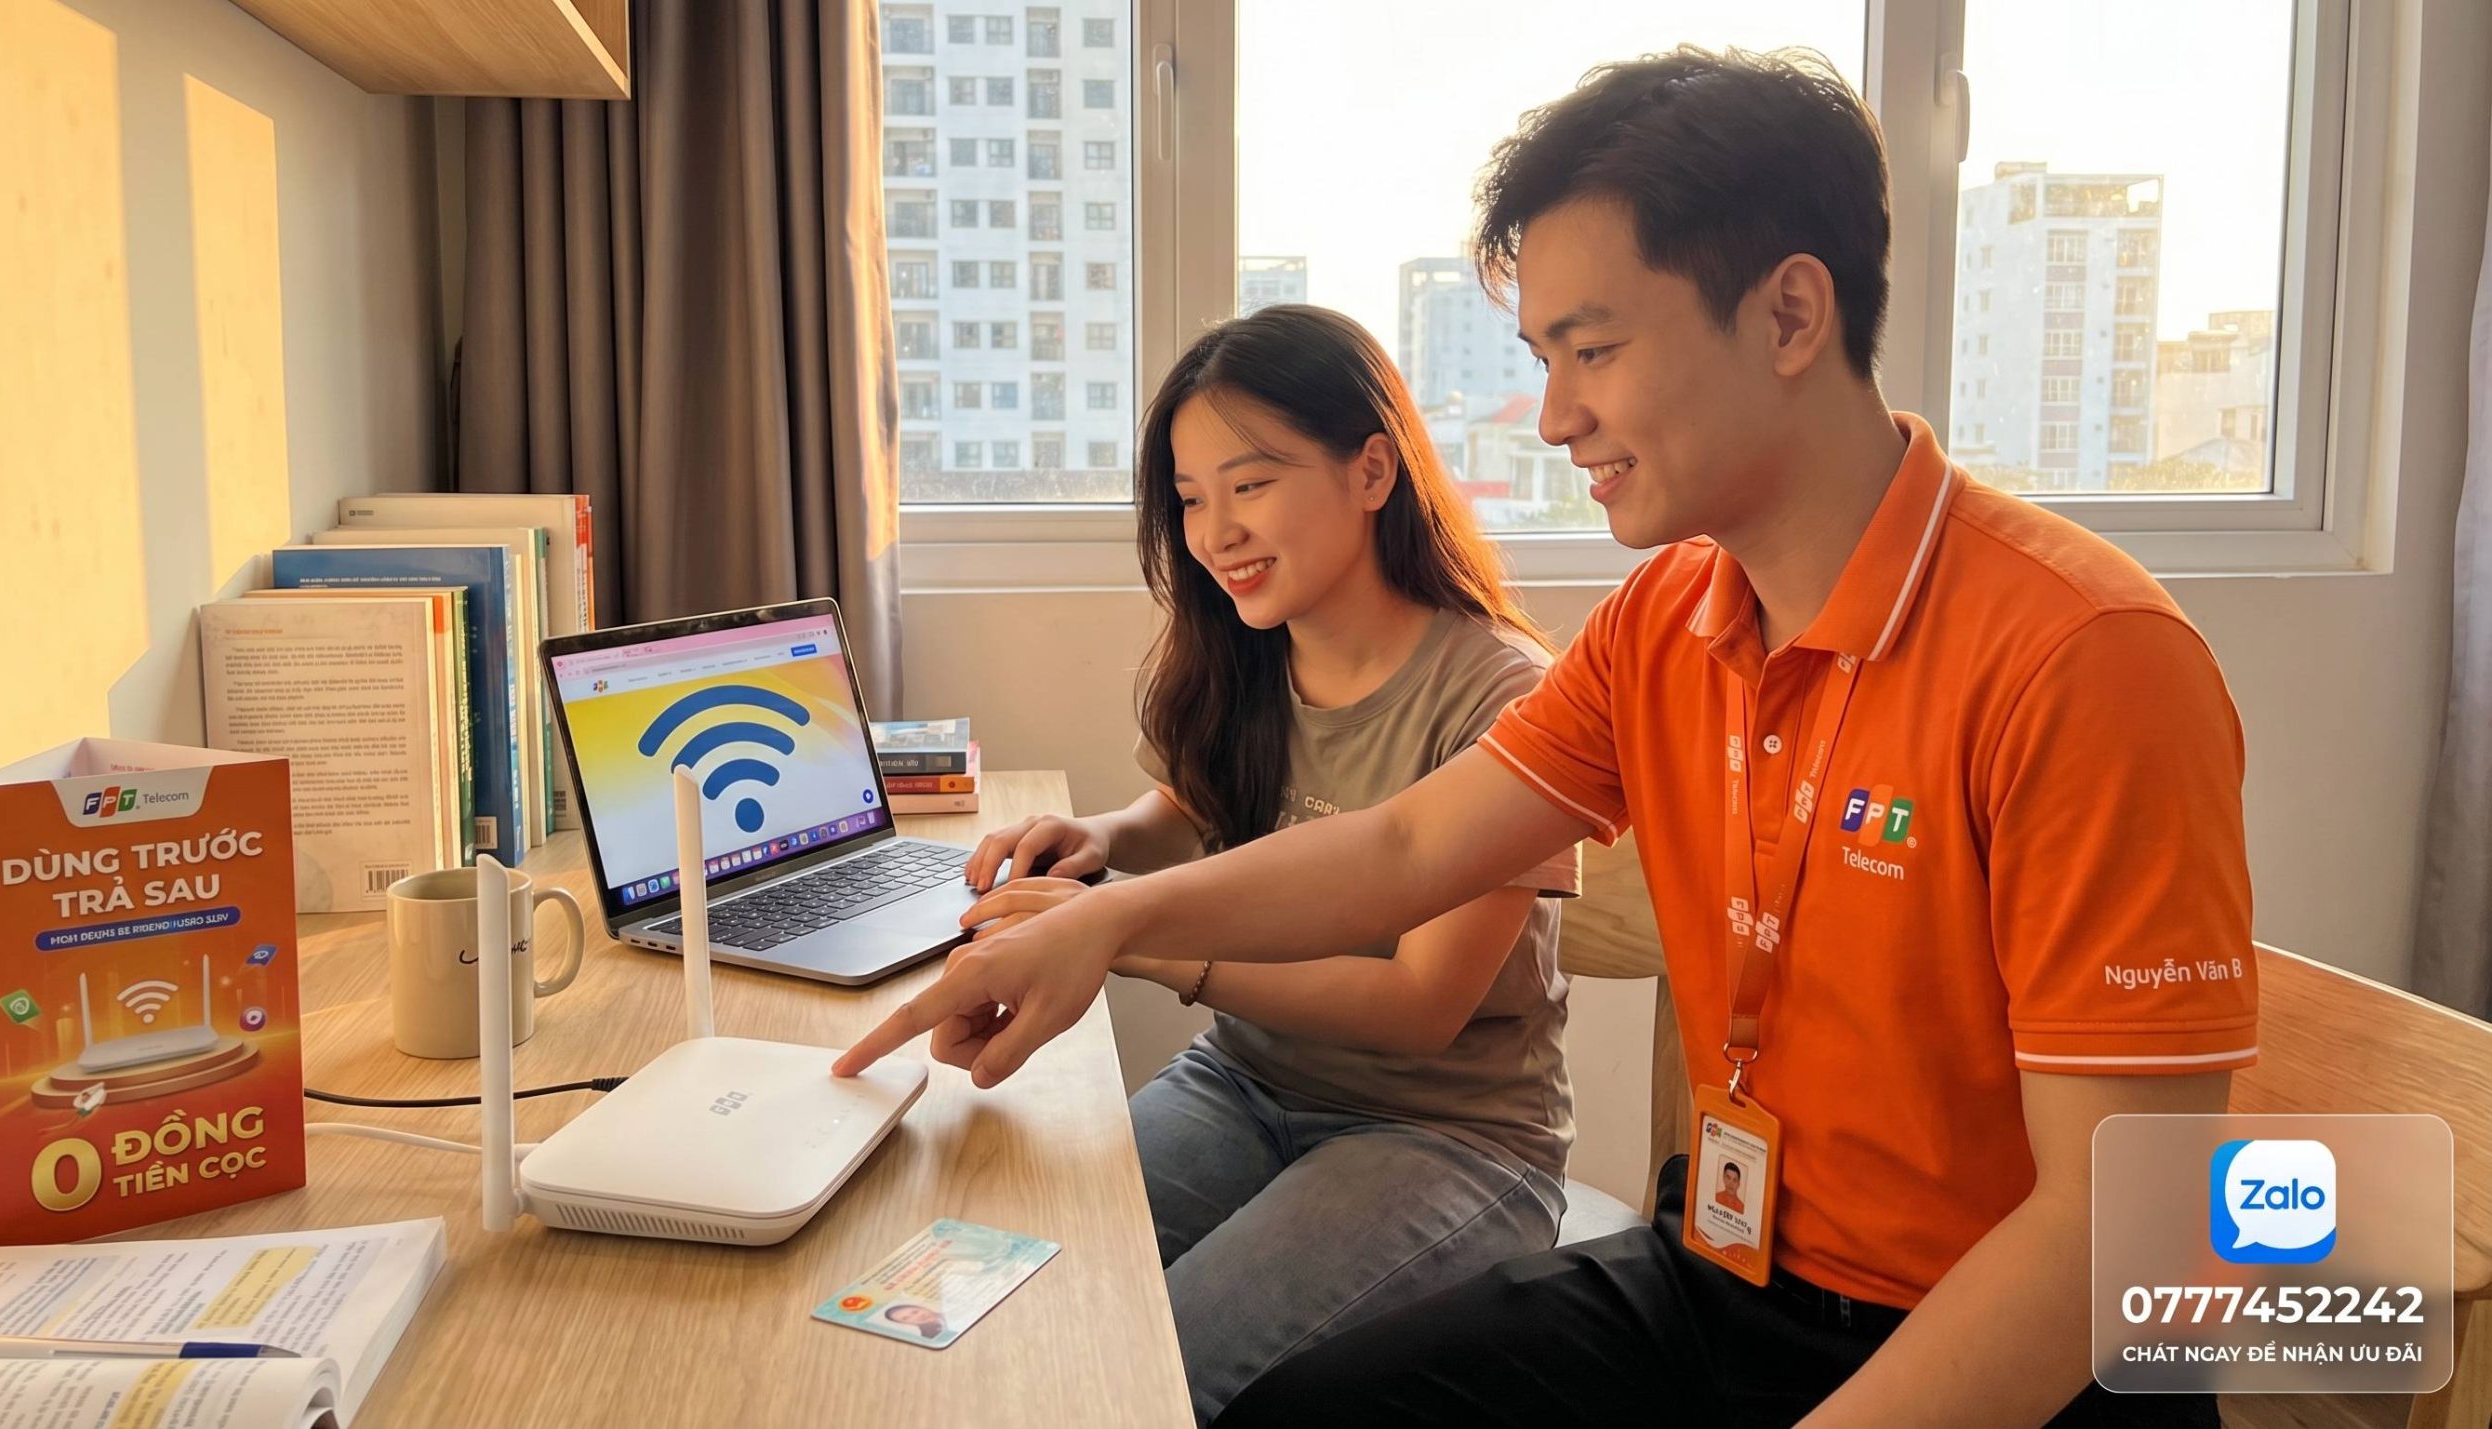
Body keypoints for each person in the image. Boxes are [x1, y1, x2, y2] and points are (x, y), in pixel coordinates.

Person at [840, 45, 2253, 1428]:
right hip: (1730, 1272)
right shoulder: (1665, 621)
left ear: (1787, 315)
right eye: (1541, 359)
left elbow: (2114, 1228)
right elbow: (1404, 847)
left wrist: (1133, 934)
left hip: (2003, 1347)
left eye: (1593, 350)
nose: (1556, 415)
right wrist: (1104, 920)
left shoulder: (2085, 655)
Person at [943, 303, 1580, 1424]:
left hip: (1447, 1137)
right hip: (1244, 1081)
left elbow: (1420, 1005)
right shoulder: (1245, 654)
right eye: (1190, 499)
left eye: (1249, 484)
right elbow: (1198, 803)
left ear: (1372, 469)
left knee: (1150, 1371)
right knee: (993, 1287)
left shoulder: (1502, 693)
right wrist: (1104, 841)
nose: (1214, 532)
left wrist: (1138, 937)